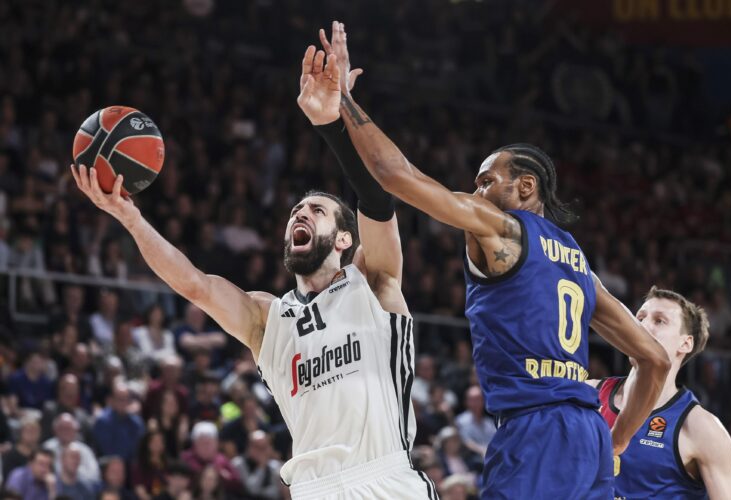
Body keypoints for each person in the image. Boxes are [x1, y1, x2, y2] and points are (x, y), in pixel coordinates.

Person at [305, 20, 671, 497]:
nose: (476, 192)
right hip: (588, 438)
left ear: (526, 186)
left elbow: (393, 174)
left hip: (534, 431)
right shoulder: (579, 264)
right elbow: (654, 359)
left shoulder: (500, 227)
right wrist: (616, 442)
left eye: (486, 181)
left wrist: (345, 101)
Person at [70, 36, 435, 495]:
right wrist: (131, 219)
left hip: (386, 480)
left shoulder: (374, 284)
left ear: (345, 238)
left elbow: (377, 200)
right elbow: (195, 285)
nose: (300, 215)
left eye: (317, 211)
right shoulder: (269, 318)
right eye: (295, 212)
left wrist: (336, 116)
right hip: (313, 490)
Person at [588, 287, 731, 499]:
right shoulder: (587, 394)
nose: (642, 326)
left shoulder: (701, 427)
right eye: (639, 318)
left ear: (685, 343)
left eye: (659, 321)